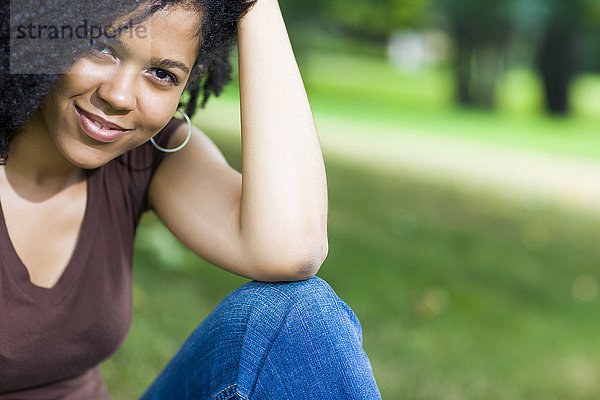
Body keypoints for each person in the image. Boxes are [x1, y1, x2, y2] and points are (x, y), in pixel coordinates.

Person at [0, 0, 382, 398]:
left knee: (297, 314)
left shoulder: (147, 155)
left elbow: (290, 246)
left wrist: (256, 3)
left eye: (162, 74)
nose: (119, 97)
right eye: (100, 47)